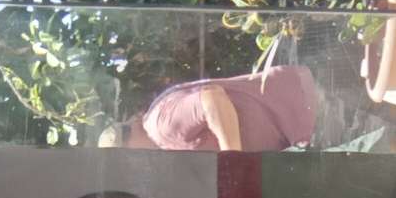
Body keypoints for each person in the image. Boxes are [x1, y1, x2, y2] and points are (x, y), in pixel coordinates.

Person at [97, 64, 320, 152]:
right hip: (302, 111)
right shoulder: (161, 135)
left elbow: (211, 98)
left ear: (128, 143)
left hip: (305, 106)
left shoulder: (160, 127)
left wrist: (232, 159)